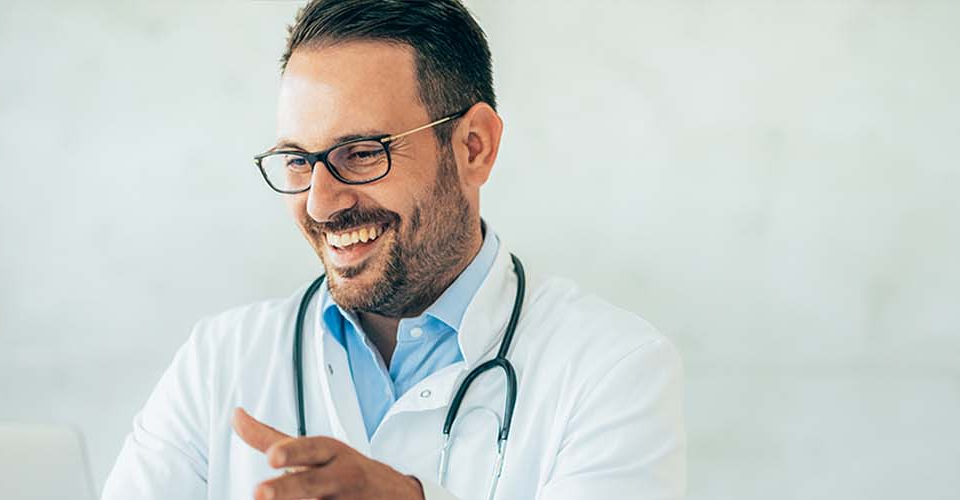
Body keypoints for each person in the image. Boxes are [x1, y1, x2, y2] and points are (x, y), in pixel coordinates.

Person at [100, 1, 685, 499]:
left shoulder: (613, 367)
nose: (321, 204)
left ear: (474, 147)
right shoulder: (220, 361)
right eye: (300, 162)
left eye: (360, 153)